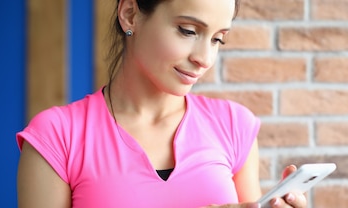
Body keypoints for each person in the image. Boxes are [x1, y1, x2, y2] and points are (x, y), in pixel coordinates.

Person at [16, 0, 307, 207]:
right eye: (189, 31)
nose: (204, 58)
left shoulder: (234, 125)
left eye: (218, 39)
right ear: (130, 14)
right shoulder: (56, 137)